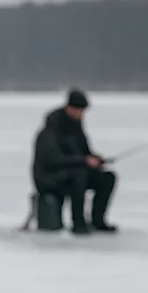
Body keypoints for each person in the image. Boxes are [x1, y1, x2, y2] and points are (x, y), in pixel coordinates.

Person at [31, 89, 118, 234]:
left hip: (73, 172)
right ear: (69, 108)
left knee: (107, 178)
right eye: (79, 110)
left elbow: (84, 152)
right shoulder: (50, 130)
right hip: (48, 178)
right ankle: (78, 223)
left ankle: (98, 221)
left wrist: (96, 159)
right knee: (79, 176)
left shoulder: (77, 129)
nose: (81, 114)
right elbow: (53, 160)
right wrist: (84, 161)